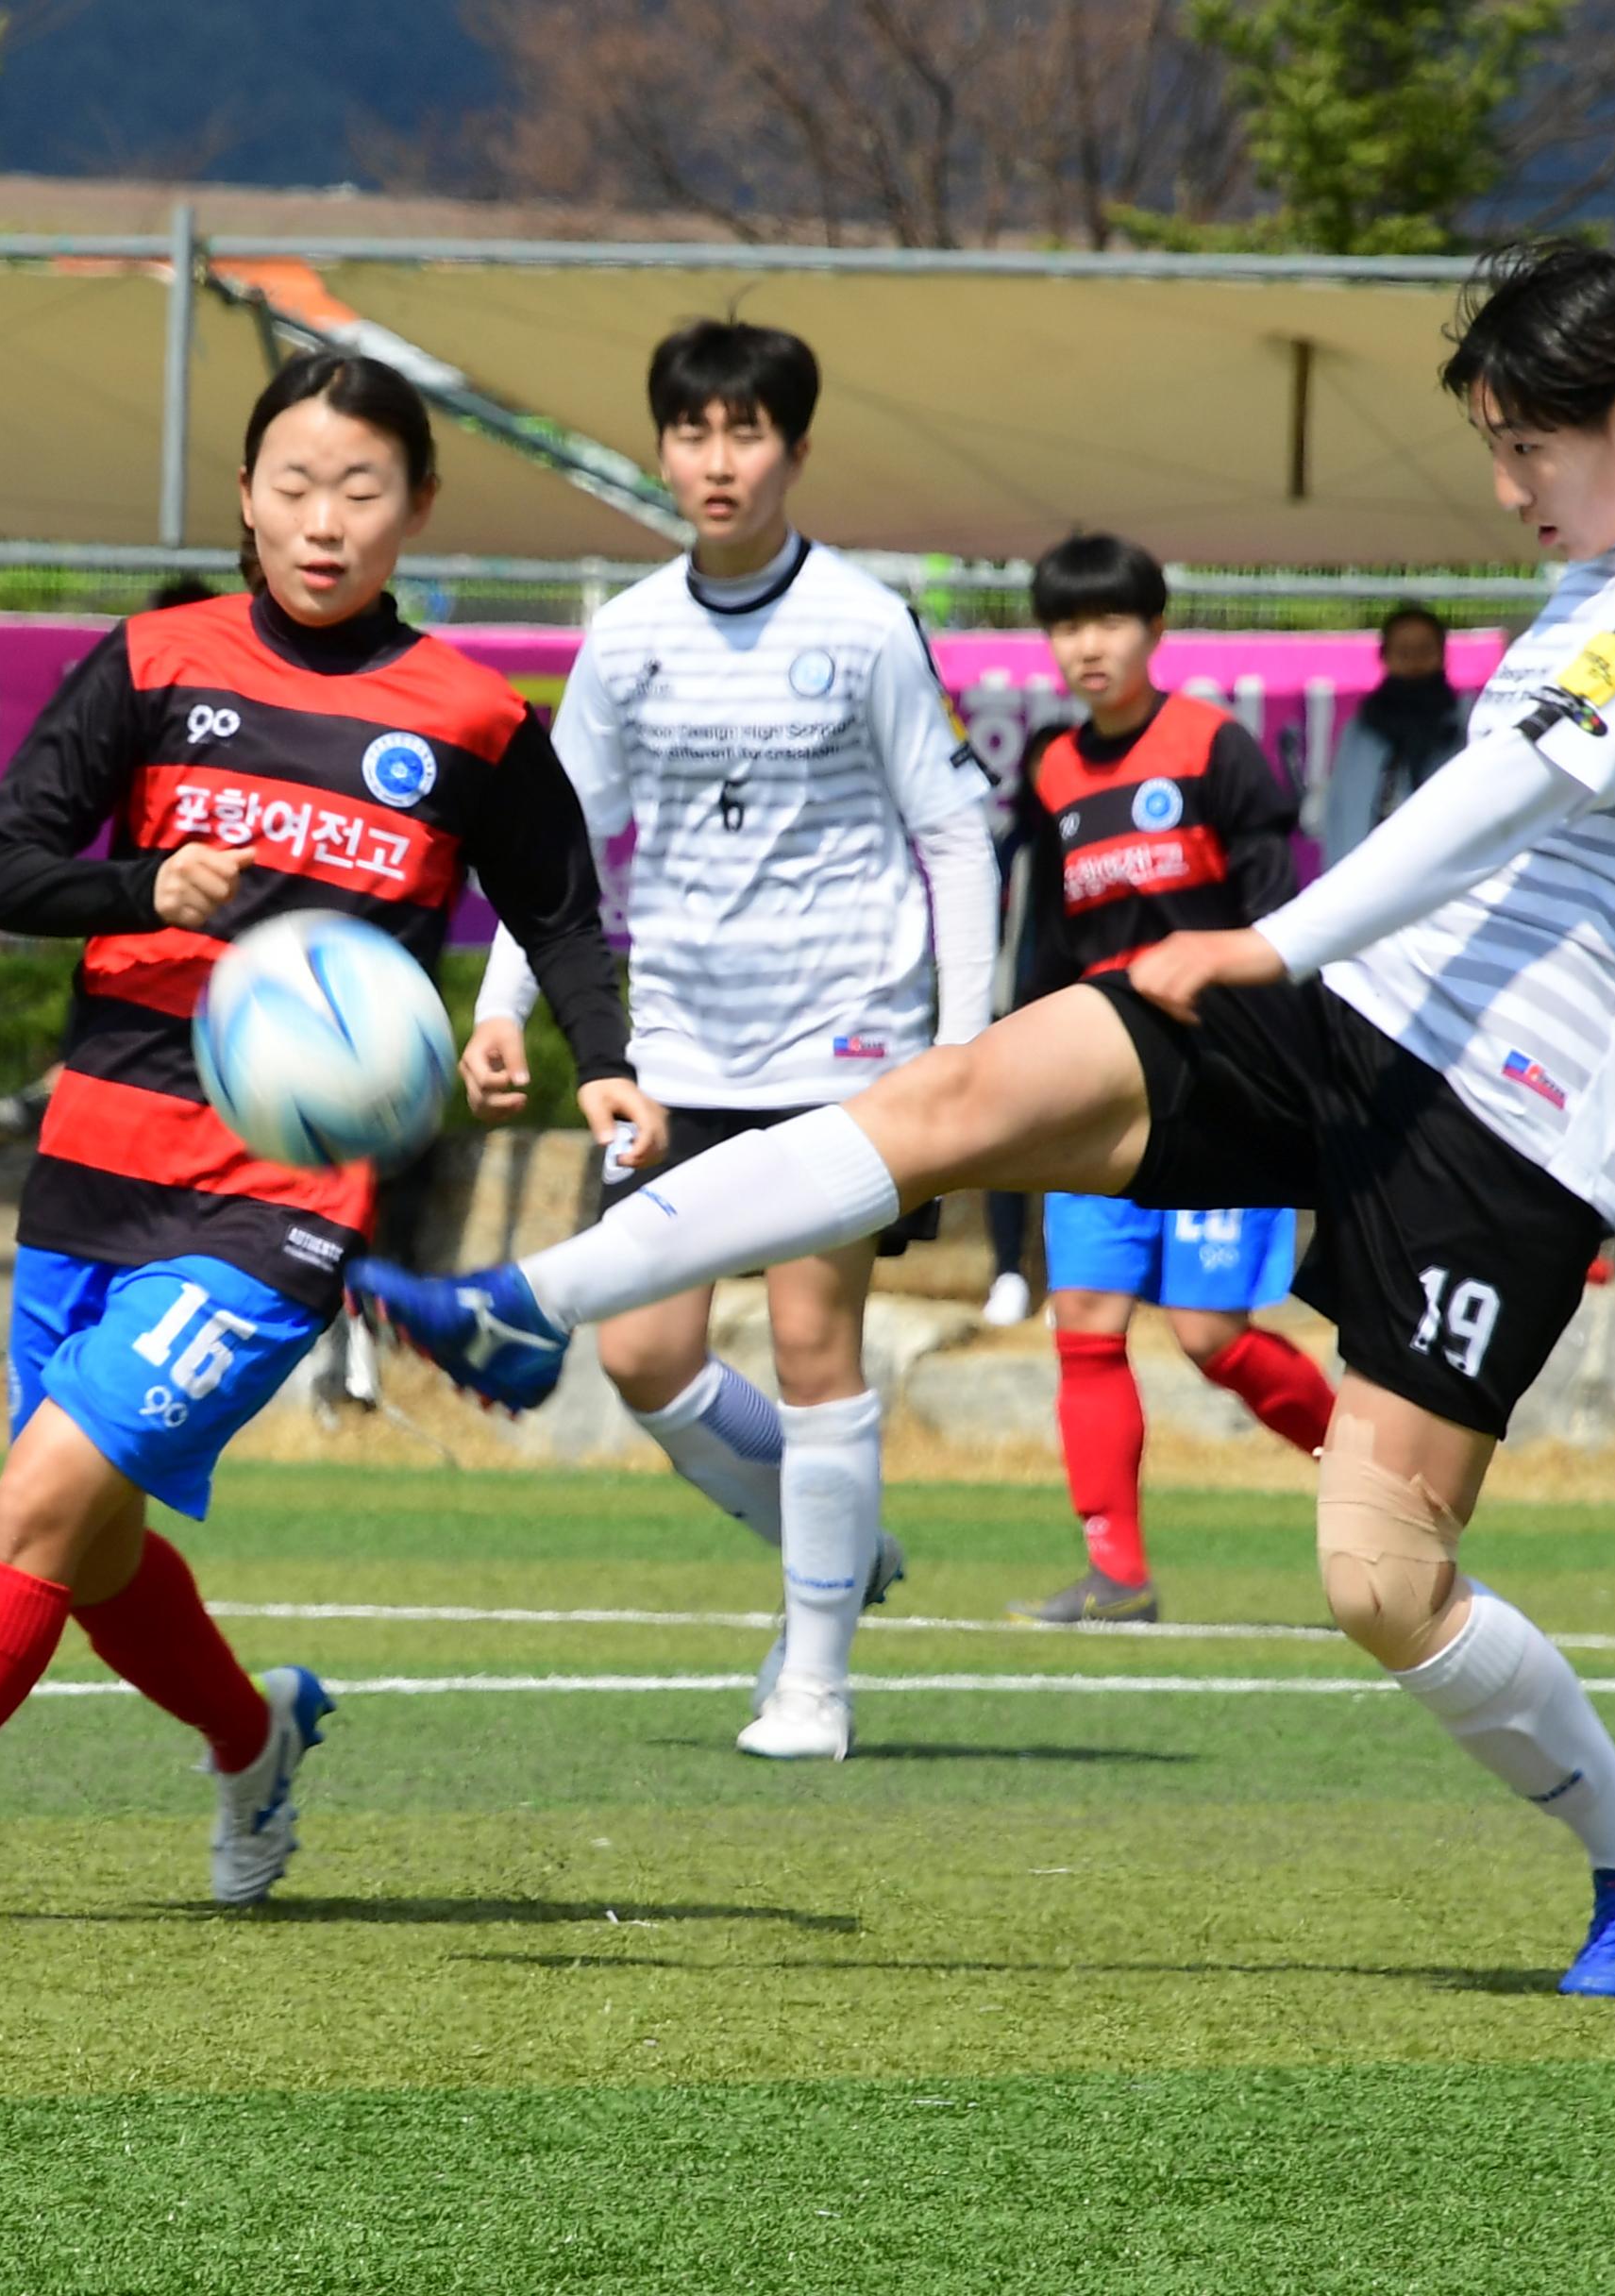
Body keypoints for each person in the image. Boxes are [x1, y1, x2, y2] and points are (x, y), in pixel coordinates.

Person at [352, 243, 1615, 1999]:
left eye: (1526, 449)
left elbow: (1593, 806)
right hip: (1347, 1019)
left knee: (1379, 1581)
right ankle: (538, 1302)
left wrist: (1275, 934)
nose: (1506, 489)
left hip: (1506, 1133)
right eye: (1492, 449)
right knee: (952, 1091)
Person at [0, 350, 646, 1920]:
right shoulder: (152, 661)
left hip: (285, 1195)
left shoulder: (470, 716)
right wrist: (139, 884)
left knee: (35, 1500)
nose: (322, 522)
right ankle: (254, 1736)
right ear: (242, 497)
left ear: (417, 508)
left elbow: (562, 911)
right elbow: (2, 873)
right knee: (87, 1549)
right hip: (95, 1162)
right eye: (291, 486)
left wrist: (604, 1063)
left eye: (359, 491)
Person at [460, 317, 1000, 1759]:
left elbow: (956, 834)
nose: (719, 460)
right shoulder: (628, 637)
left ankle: (815, 1685)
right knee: (640, 1353)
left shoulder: (869, 622)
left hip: (847, 1044)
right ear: (661, 451)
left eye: (746, 432)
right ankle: (842, 1547)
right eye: (693, 433)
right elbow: (552, 852)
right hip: (678, 1051)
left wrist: (962, 1049)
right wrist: (503, 1006)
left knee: (817, 1344)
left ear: (796, 452)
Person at [999, 535, 1337, 1629]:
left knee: (1209, 1335)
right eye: (1066, 625)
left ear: (1155, 627)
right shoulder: (1048, 769)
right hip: (1093, 1088)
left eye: (1109, 621)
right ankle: (1118, 1575)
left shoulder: (1214, 747)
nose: (1087, 646)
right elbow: (1049, 939)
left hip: (1222, 1085)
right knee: (1085, 1322)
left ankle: (1378, 1466)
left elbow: (1282, 917)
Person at [1308, 603, 1470, 869]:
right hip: (1365, 878)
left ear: (1443, 655)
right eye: (1403, 652)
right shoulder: (1361, 730)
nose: (1414, 662)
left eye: (1424, 651)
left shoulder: (1462, 725)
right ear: (1384, 656)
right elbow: (1339, 811)